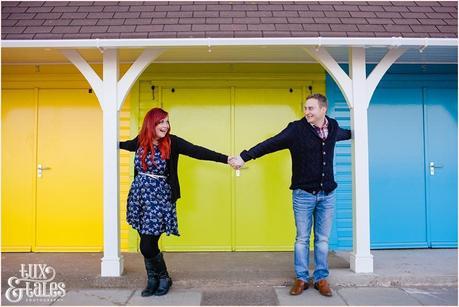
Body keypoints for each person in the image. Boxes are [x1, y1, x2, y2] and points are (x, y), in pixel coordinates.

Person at [230, 94, 351, 297]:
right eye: (305, 108)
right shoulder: (296, 129)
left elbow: (346, 134)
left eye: (311, 108)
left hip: (327, 193)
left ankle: (321, 278)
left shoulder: (333, 127)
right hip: (303, 193)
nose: (307, 112)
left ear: (323, 110)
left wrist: (362, 132)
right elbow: (270, 144)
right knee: (302, 239)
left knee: (322, 240)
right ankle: (302, 278)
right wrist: (244, 156)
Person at [120, 107, 233, 297]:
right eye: (161, 122)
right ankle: (153, 279)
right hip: (139, 197)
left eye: (167, 121)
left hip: (159, 198)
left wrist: (226, 159)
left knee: (147, 244)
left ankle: (163, 277)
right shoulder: (140, 141)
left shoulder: (173, 143)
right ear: (151, 124)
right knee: (146, 243)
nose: (165, 125)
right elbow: (124, 145)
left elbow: (197, 151)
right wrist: (107, 143)